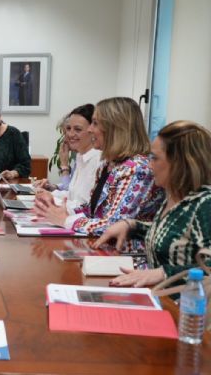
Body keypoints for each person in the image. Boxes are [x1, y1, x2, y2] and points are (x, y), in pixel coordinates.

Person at [94, 120, 211, 287]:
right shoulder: (173, 197)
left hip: (186, 308)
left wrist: (164, 273)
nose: (149, 165)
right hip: (160, 299)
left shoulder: (205, 204)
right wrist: (132, 226)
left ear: (179, 163)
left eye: (155, 158)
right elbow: (173, 234)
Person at [34, 97, 164, 235]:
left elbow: (113, 226)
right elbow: (93, 211)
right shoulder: (109, 165)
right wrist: (58, 209)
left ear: (114, 128)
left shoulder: (137, 169)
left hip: (124, 254)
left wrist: (66, 220)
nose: (90, 129)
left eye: (95, 123)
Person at [34, 104, 102, 209]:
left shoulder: (98, 161)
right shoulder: (81, 157)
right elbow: (71, 195)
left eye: (78, 129)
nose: (70, 134)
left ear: (92, 131)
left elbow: (84, 206)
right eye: (69, 128)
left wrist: (52, 200)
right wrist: (48, 194)